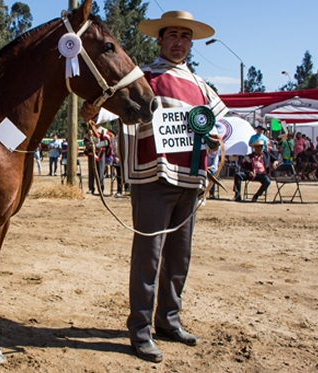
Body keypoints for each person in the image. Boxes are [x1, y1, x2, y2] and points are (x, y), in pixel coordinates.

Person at [81, 10, 226, 363]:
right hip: (152, 176)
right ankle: (141, 329)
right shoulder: (142, 78)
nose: (179, 42)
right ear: (159, 40)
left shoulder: (202, 87)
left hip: (191, 179)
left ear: (191, 43)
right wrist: (92, 113)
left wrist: (213, 140)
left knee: (180, 256)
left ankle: (169, 319)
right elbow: (102, 109)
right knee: (149, 256)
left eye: (185, 36)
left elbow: (218, 129)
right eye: (172, 35)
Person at [83, 124, 112, 194]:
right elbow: (85, 141)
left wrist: (96, 145)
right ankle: (91, 188)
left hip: (100, 153)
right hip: (92, 153)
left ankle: (101, 188)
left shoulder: (103, 130)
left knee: (100, 171)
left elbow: (107, 142)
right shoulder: (88, 131)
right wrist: (90, 146)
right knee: (91, 171)